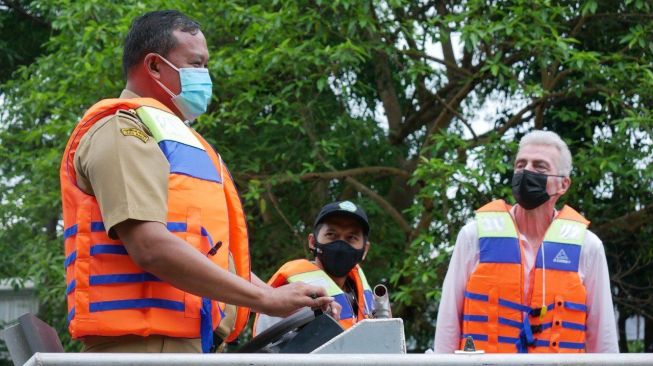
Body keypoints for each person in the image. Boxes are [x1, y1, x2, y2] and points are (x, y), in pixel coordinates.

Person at [60, 10, 334, 354]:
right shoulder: (122, 130)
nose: (204, 76)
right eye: (195, 64)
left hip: (191, 346)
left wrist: (285, 302)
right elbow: (150, 246)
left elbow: (208, 256)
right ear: (155, 66)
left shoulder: (176, 140)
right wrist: (265, 297)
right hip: (144, 349)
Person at [433, 130, 618, 353]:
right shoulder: (473, 236)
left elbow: (602, 336)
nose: (526, 171)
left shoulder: (588, 247)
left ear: (563, 185)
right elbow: (448, 321)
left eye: (540, 166)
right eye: (521, 165)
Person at [253, 201, 375, 335]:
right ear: (312, 242)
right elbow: (270, 348)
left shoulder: (370, 299)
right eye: (331, 235)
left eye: (351, 237)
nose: (341, 244)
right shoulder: (289, 290)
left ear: (365, 250)